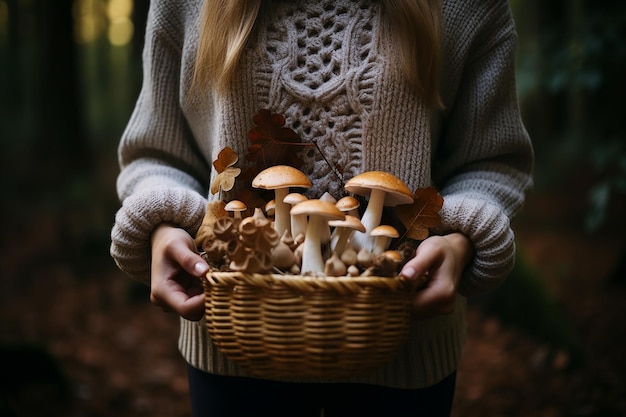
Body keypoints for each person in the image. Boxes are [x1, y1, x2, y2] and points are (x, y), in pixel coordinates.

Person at [110, 0, 533, 415]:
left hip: (405, 345)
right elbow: (155, 156)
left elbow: (492, 162)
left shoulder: (468, 7)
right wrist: (163, 226)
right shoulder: (182, 5)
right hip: (233, 344)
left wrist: (459, 240)